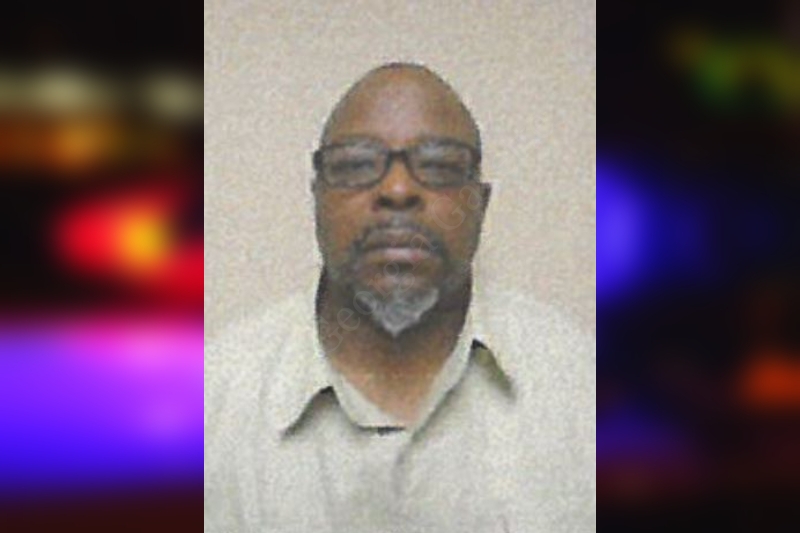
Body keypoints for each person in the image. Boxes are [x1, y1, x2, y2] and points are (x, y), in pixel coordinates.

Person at [205, 63, 595, 532]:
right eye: (355, 166)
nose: (397, 189)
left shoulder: (585, 393)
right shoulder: (209, 404)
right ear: (317, 200)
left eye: (440, 166)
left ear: (481, 203)